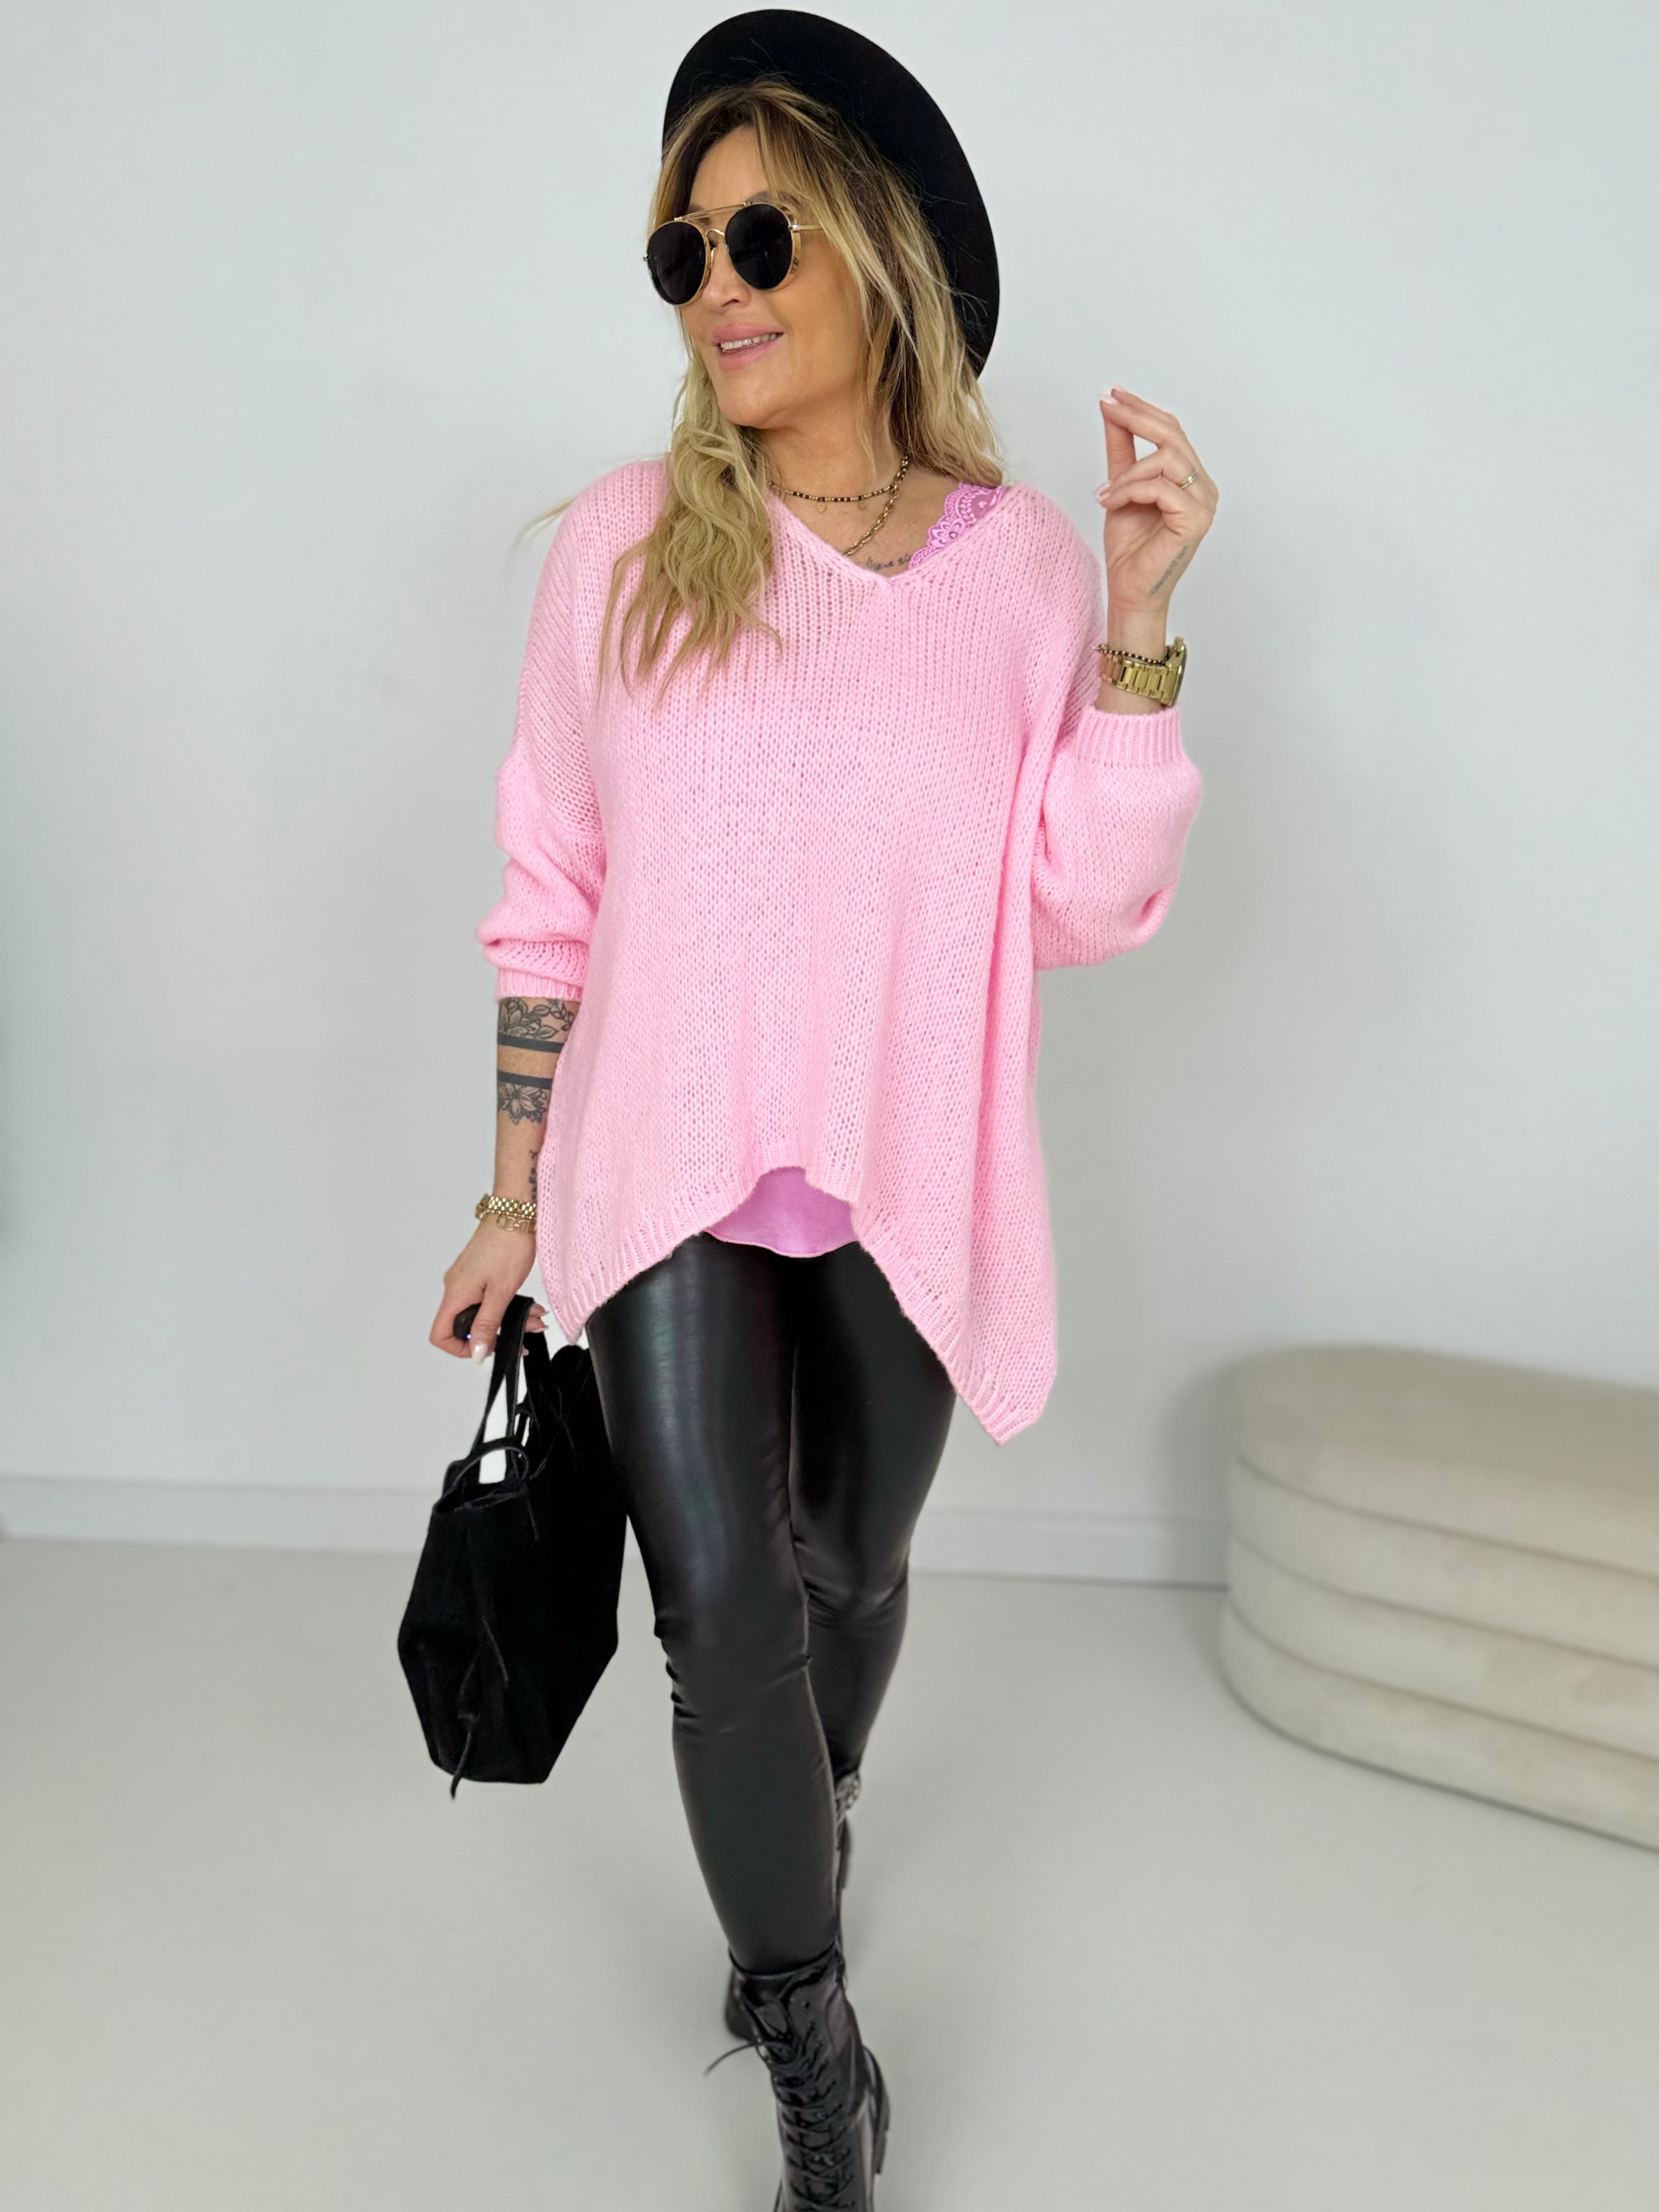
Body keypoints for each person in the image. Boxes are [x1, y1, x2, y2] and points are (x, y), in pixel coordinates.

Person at [428, 13, 1214, 2207]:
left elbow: (1079, 904)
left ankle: (809, 1831)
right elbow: (550, 890)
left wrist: (1143, 625)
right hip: (661, 1171)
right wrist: (511, 1198)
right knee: (722, 1614)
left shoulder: (1024, 569)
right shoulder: (623, 545)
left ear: (879, 254)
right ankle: (809, 2045)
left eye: (760, 236)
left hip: (905, 1174)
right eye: (682, 251)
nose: (720, 286)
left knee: (846, 1576)